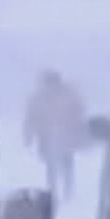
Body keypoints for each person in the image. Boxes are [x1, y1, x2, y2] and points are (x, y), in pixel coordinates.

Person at [23, 69, 87, 202]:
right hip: (47, 137)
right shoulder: (39, 98)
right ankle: (53, 191)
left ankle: (67, 191)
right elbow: (31, 117)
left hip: (66, 136)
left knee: (66, 164)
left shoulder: (68, 95)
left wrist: (79, 131)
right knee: (51, 166)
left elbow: (79, 113)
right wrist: (28, 134)